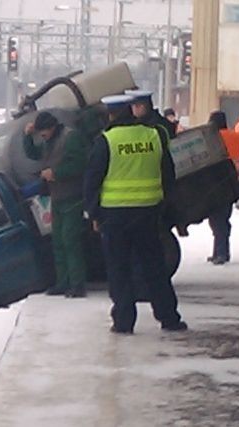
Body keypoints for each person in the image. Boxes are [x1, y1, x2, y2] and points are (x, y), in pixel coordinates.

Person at [83, 95, 187, 334]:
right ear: (131, 110)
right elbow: (168, 175)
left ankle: (124, 321)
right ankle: (169, 318)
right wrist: (162, 205)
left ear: (110, 114)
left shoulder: (106, 141)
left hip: (114, 217)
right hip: (148, 214)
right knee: (155, 268)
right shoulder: (154, 136)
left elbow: (92, 181)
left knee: (119, 269)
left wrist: (94, 213)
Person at [23, 111, 88, 298]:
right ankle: (63, 282)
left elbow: (81, 163)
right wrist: (27, 137)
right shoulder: (48, 141)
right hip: (57, 196)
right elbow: (33, 153)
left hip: (73, 197)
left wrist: (56, 173)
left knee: (70, 240)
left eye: (42, 133)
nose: (41, 136)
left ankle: (77, 283)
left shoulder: (70, 138)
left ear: (51, 128)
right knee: (58, 240)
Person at [206, 111, 239, 265]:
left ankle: (221, 253)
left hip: (213, 184)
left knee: (217, 220)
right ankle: (220, 251)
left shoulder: (210, 139)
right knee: (222, 219)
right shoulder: (238, 137)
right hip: (232, 184)